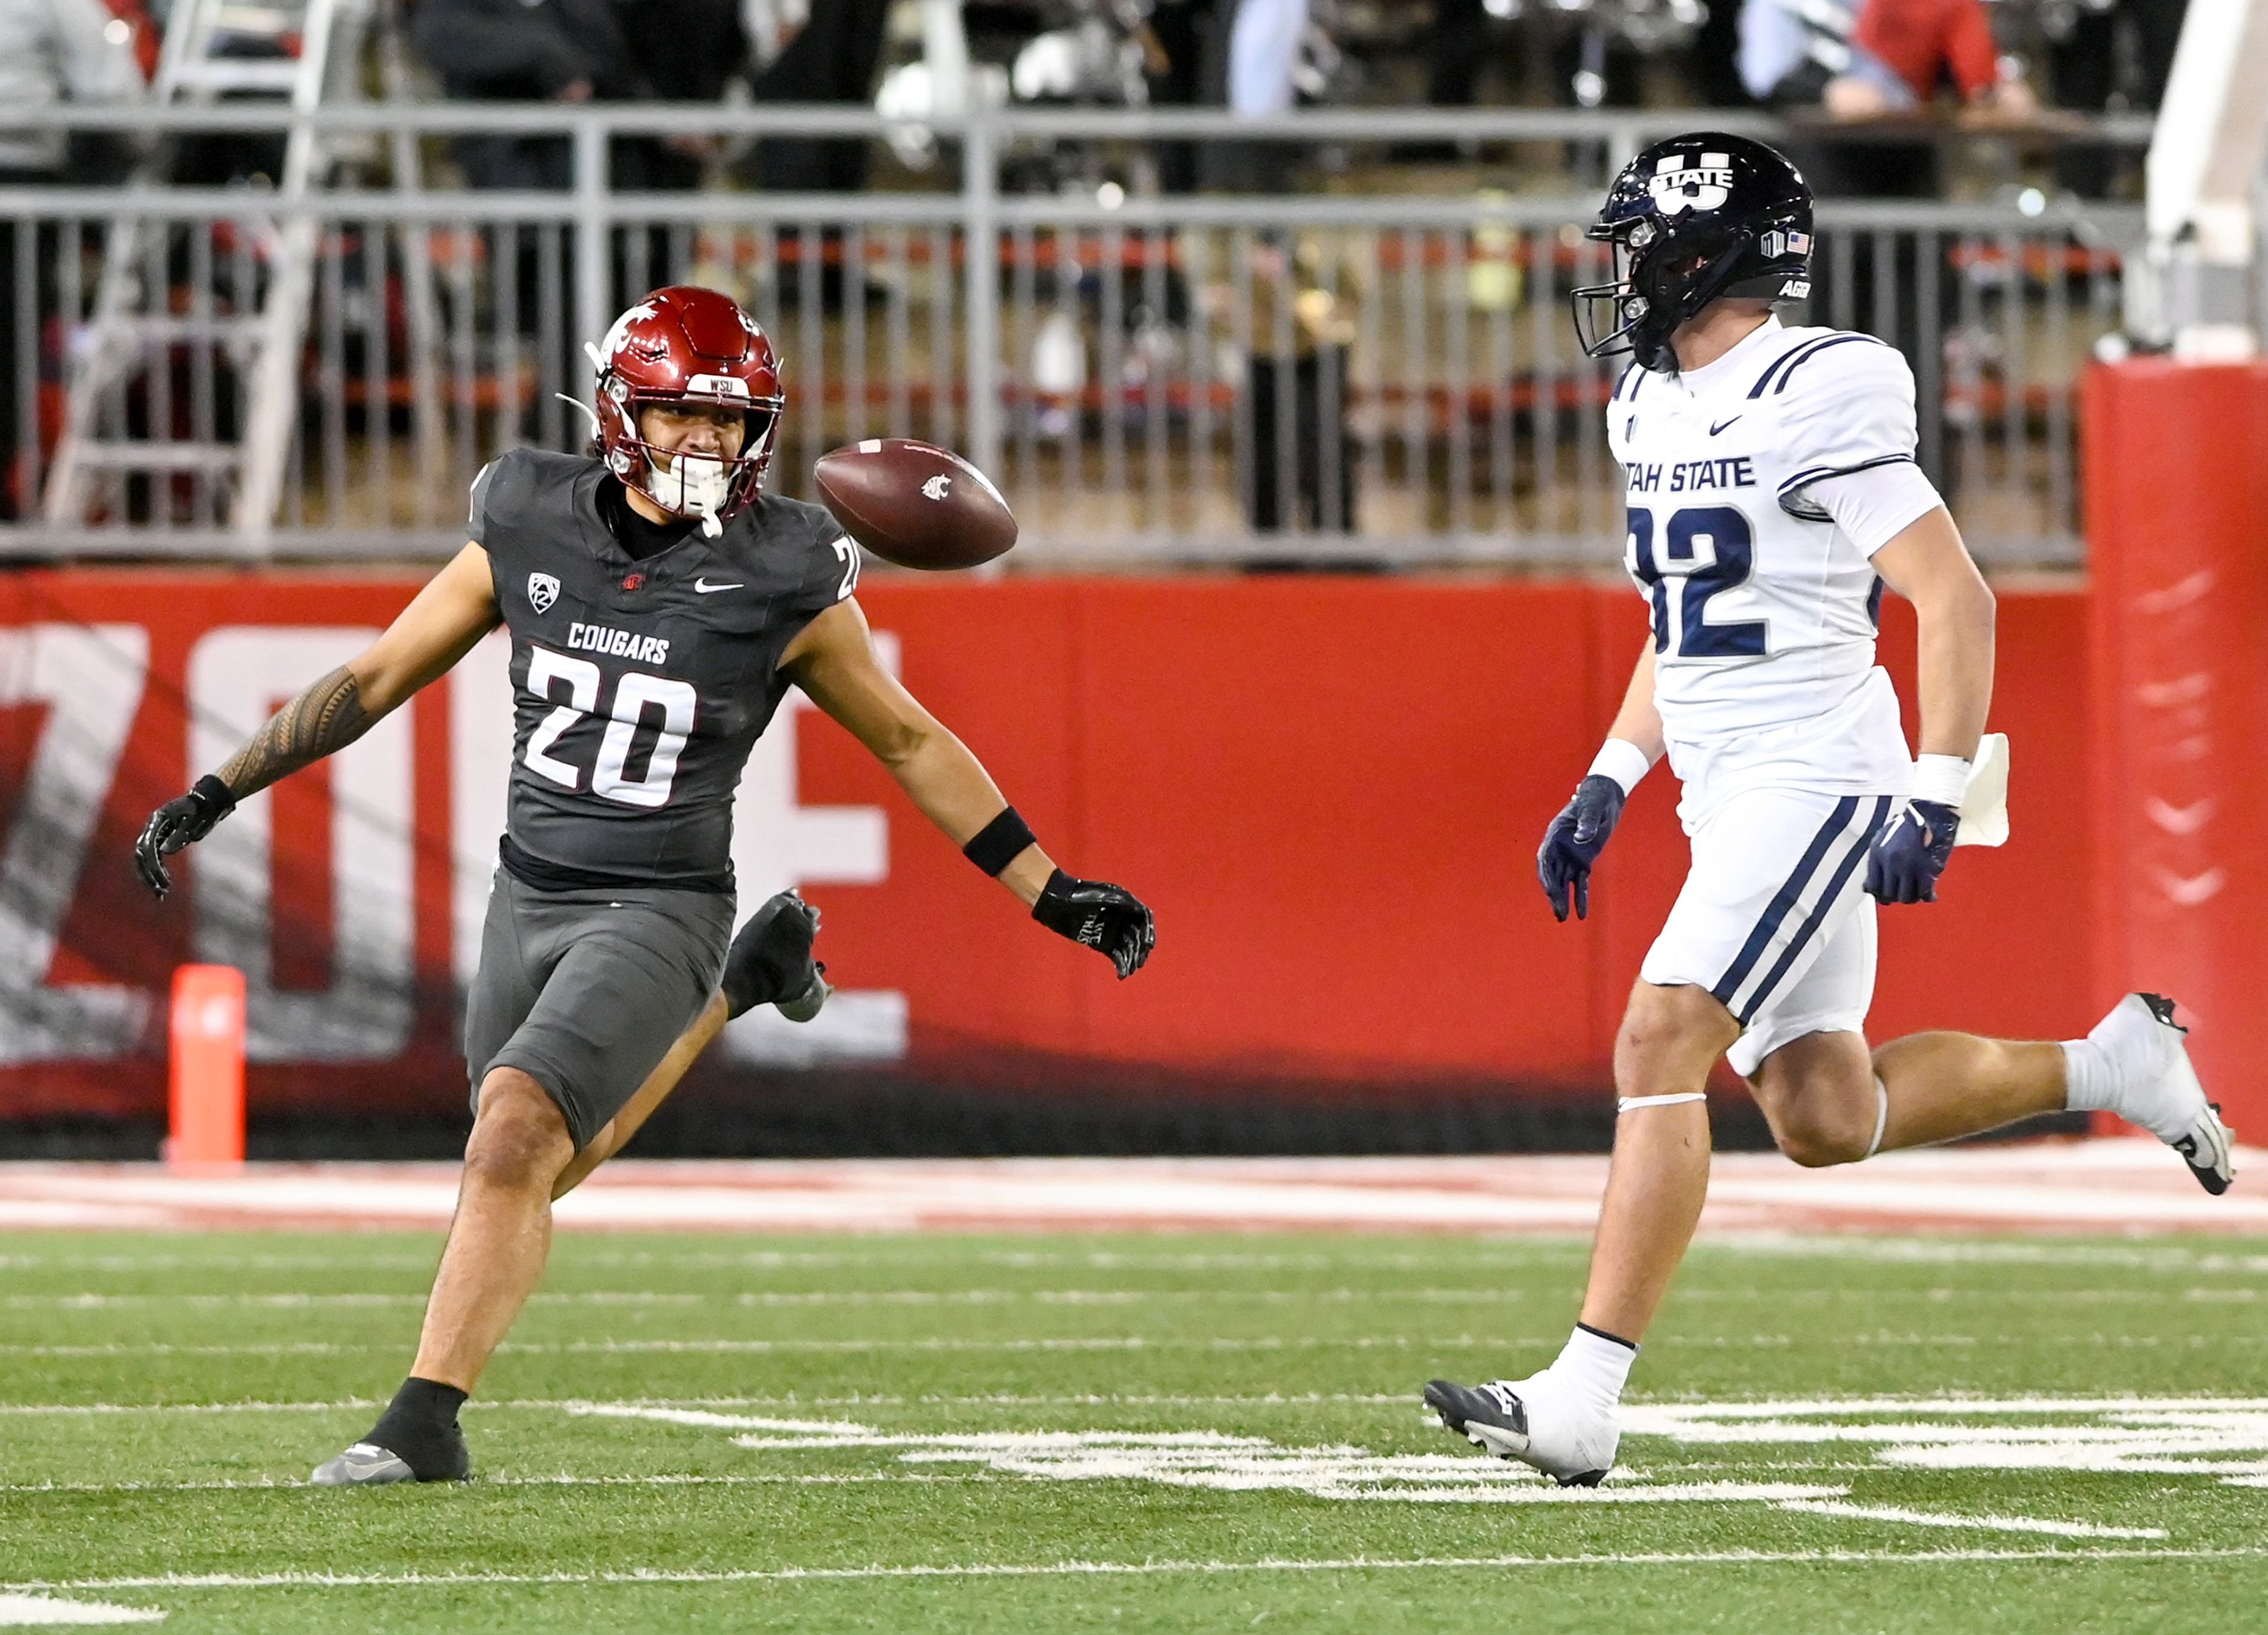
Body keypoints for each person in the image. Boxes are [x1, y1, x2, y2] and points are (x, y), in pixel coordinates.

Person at [132, 285, 1157, 1485]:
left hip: (659, 901)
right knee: (530, 1163)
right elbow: (376, 675)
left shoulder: (786, 569)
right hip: (529, 894)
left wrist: (1048, 887)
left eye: (730, 423)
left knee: (513, 1131)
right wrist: (221, 785)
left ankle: (423, 1420)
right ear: (622, 412)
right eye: (681, 416)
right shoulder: (527, 513)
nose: (708, 446)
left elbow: (909, 740)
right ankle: (741, 990)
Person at [1421, 136, 2234, 1487]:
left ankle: (1580, 1398)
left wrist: (1930, 781)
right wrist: (1609, 775)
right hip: (1721, 779)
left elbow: (1950, 592)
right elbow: (1680, 631)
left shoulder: (1818, 386)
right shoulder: (1647, 401)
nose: (1618, 272)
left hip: (1817, 771)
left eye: (1638, 246)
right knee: (1819, 1109)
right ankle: (2115, 1065)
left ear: (1702, 257)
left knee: (1659, 1026)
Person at [0, 0, 142, 518]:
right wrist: (146, 149)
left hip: (22, 189)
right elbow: (111, 92)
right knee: (10, 352)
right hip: (21, 192)